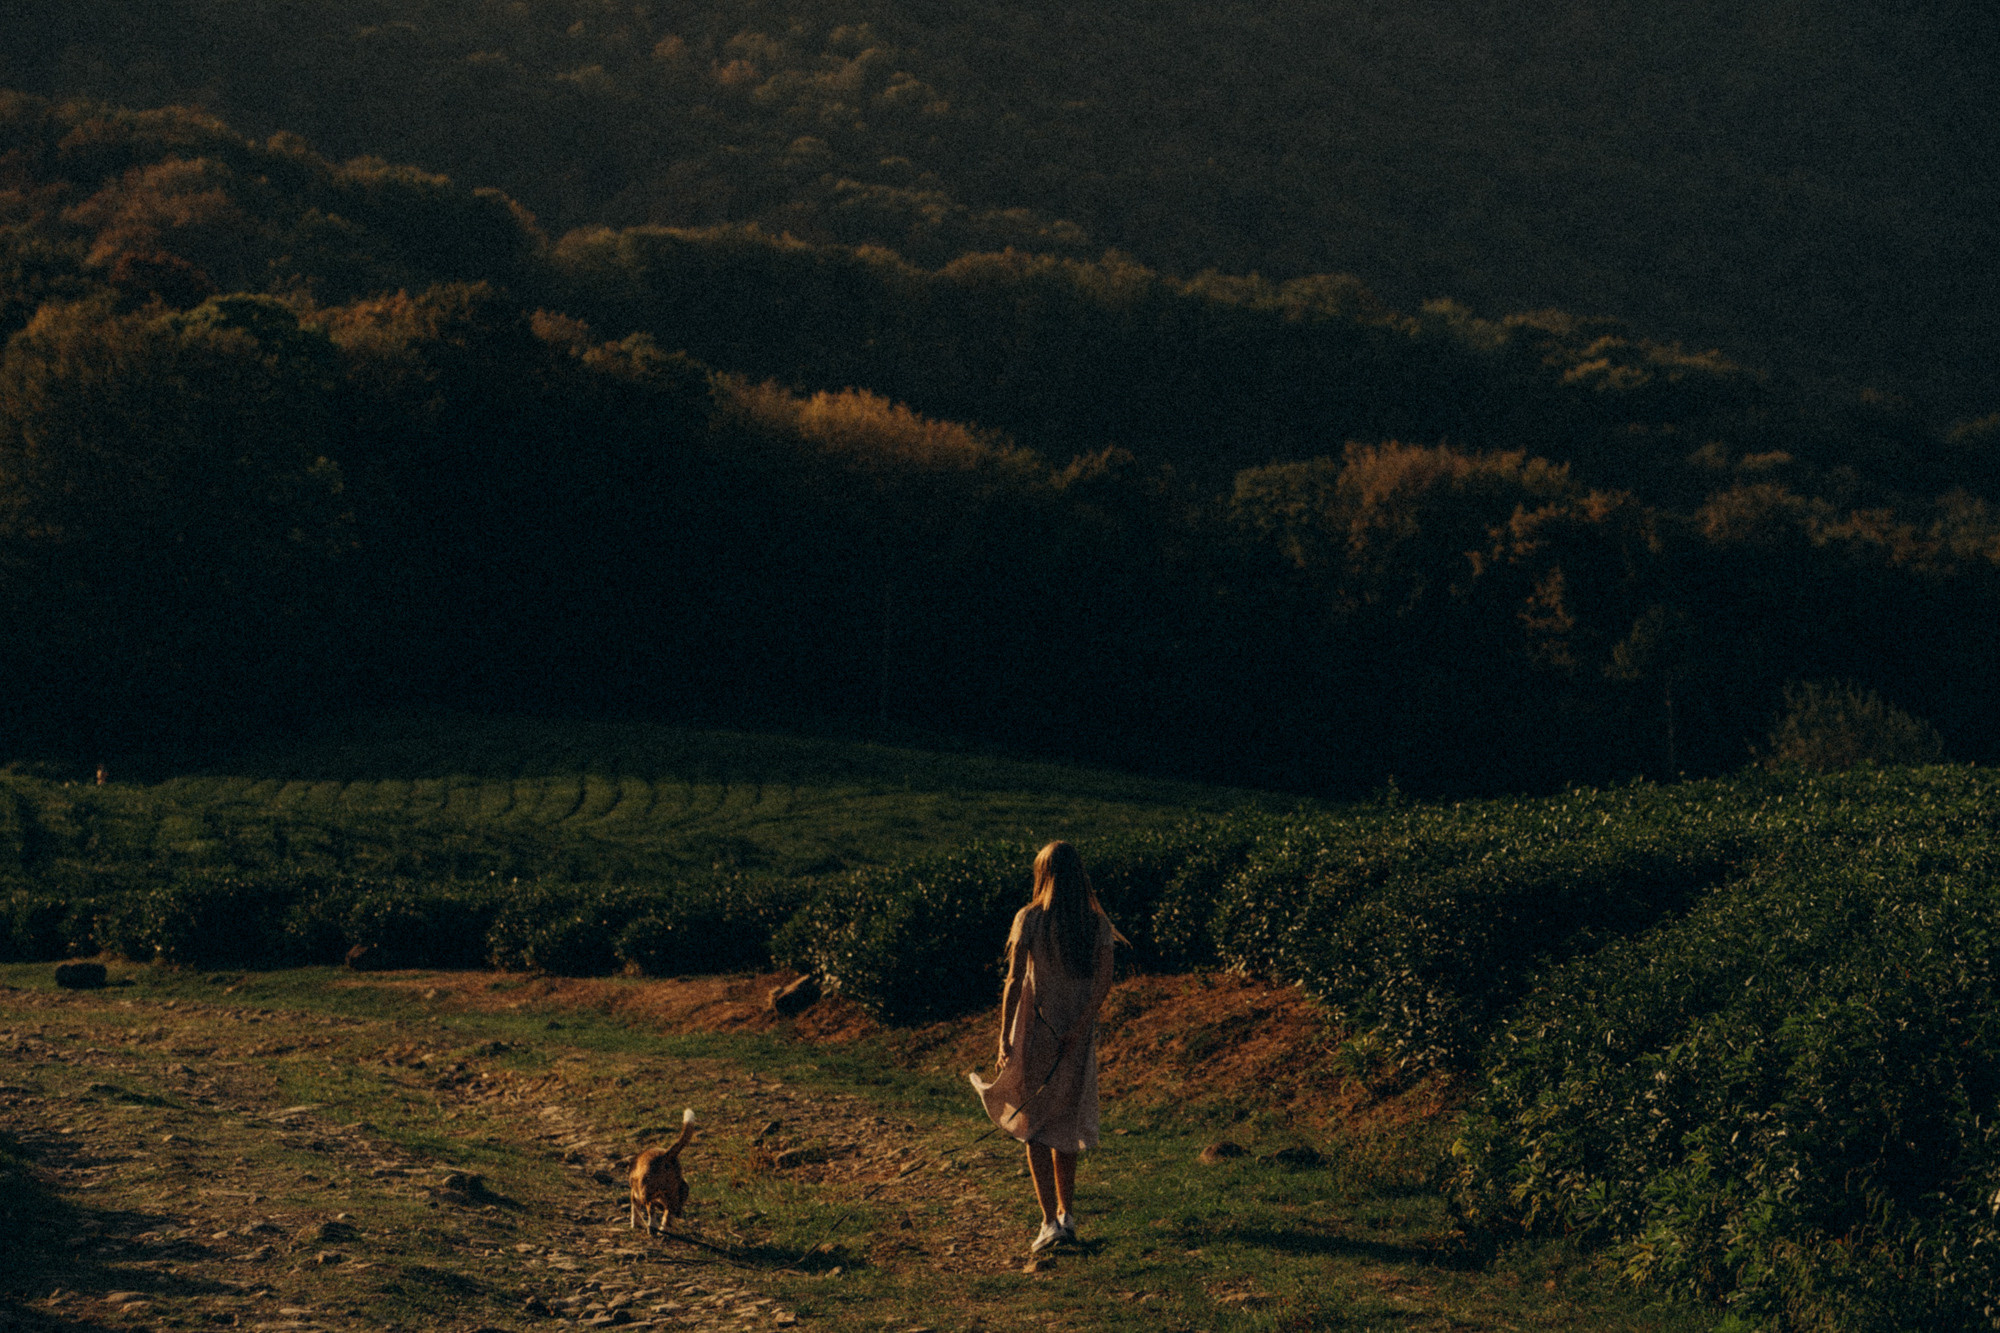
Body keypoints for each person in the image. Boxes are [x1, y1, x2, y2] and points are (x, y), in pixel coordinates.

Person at [968, 840, 1123, 1253]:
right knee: (1065, 1120)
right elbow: (1103, 982)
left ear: (1043, 874)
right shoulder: (1097, 924)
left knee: (1036, 1123)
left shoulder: (1029, 918)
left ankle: (1048, 1221)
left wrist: (1004, 1036)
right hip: (1077, 1034)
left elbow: (1014, 980)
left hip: (1034, 1028)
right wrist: (1081, 1024)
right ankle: (1067, 1216)